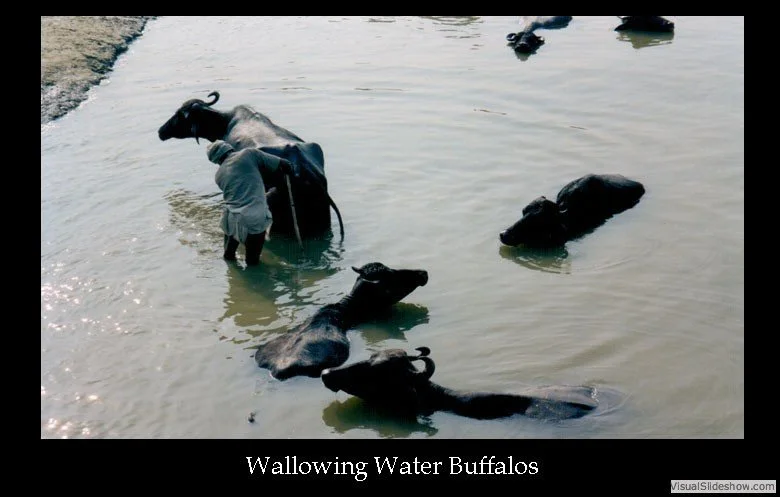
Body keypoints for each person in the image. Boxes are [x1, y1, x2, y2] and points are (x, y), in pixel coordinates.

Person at [206, 140, 293, 265]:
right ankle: (253, 282)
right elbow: (283, 164)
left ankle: (232, 275)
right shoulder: (248, 154)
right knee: (252, 262)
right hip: (253, 219)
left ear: (216, 160)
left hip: (230, 218)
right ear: (229, 148)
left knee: (228, 256)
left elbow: (242, 195)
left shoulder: (218, 175)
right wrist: (289, 169)